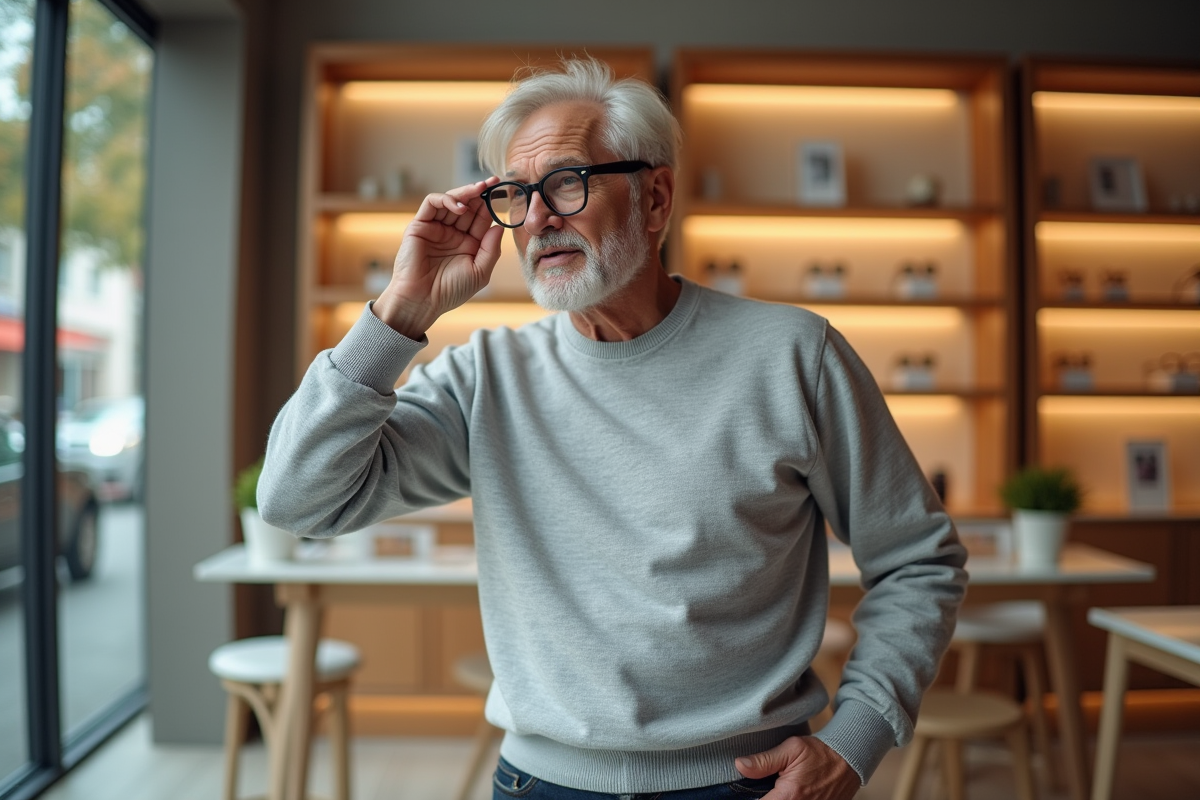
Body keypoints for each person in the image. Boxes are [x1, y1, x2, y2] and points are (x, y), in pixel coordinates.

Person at [259, 58, 967, 800]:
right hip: (539, 784)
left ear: (654, 198)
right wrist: (399, 314)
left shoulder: (793, 355)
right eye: (515, 194)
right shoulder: (486, 377)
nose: (536, 218)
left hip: (748, 785)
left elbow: (920, 561)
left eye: (566, 183)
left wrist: (853, 745)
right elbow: (299, 498)